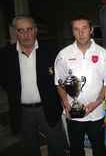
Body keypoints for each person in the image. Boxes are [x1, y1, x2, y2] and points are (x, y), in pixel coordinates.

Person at [0, 14, 65, 156]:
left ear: (35, 30)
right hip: (23, 112)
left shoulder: (51, 50)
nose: (26, 34)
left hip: (48, 107)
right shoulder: (5, 55)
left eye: (29, 29)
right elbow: (5, 81)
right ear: (15, 32)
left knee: (56, 144)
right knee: (30, 147)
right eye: (20, 30)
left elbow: (61, 76)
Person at [54, 16, 106, 156]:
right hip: (73, 114)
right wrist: (65, 103)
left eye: (84, 28)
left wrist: (98, 101)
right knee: (75, 149)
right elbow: (59, 82)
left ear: (91, 30)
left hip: (96, 113)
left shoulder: (103, 54)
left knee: (99, 149)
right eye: (76, 29)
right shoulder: (63, 55)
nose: (81, 33)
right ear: (72, 32)